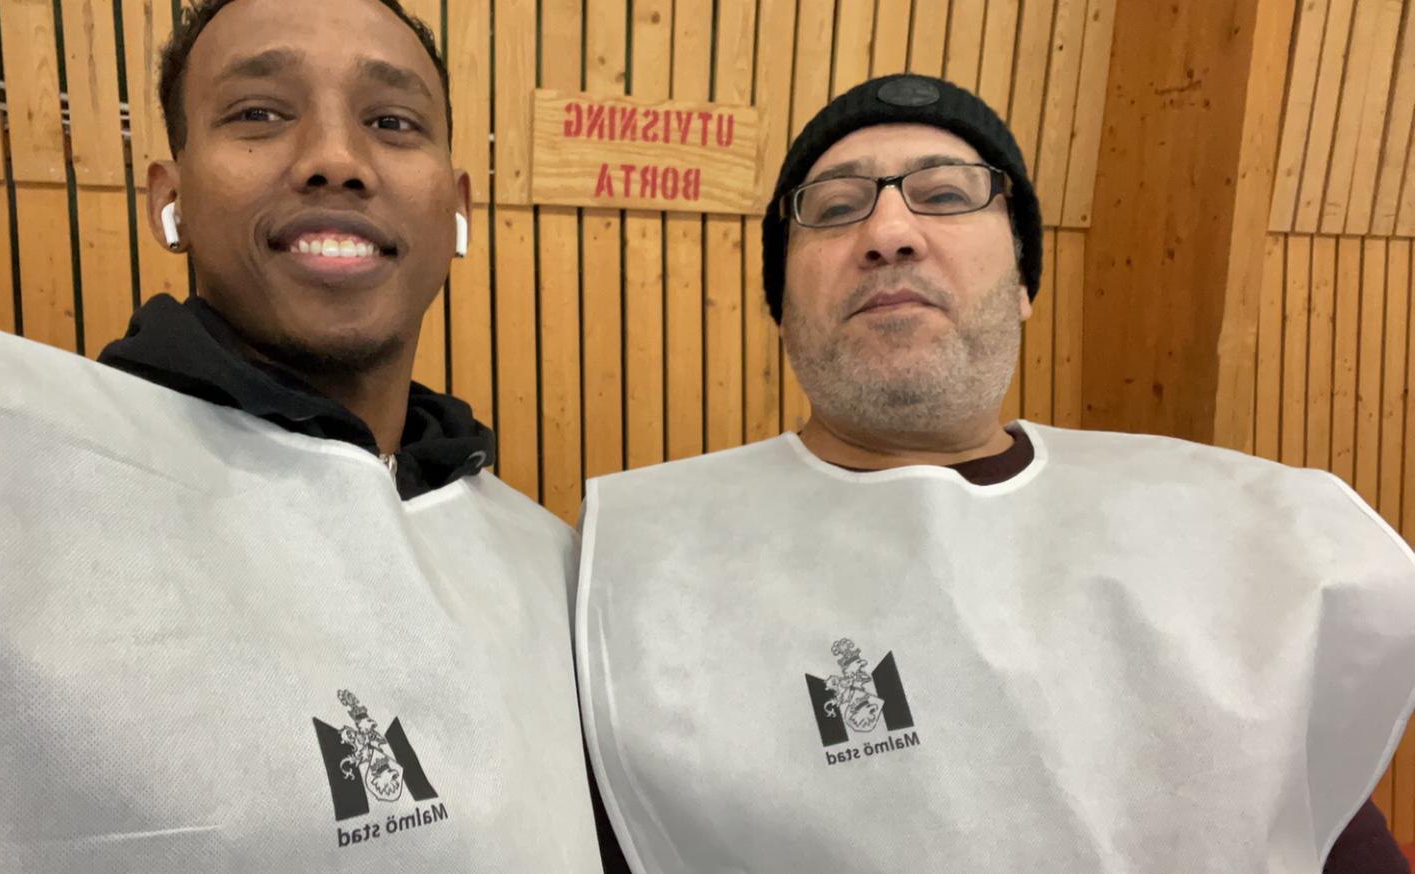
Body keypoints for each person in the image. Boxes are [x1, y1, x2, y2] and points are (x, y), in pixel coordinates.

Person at [0, 1, 605, 870]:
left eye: (392, 122)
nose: (336, 159)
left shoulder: (559, 568)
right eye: (259, 113)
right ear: (172, 197)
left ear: (455, 210)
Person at [575, 74, 1415, 873]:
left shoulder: (1238, 535)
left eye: (945, 195)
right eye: (834, 208)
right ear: (784, 311)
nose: (889, 232)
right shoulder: (635, 578)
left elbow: (1310, 827)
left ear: (1021, 282)